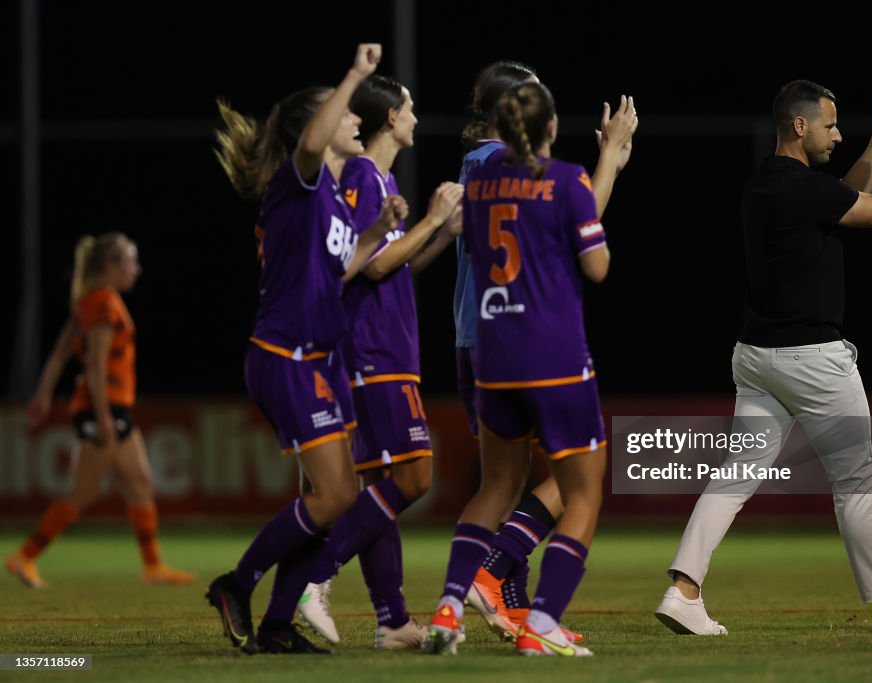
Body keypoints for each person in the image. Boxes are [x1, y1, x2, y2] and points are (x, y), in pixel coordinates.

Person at [654, 75, 872, 636]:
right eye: (829, 124)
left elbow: (845, 191)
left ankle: (683, 591)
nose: (837, 134)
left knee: (735, 477)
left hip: (755, 359)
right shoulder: (804, 191)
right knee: (855, 481)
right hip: (815, 365)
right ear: (800, 126)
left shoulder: (764, 186)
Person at [206, 43, 408, 655]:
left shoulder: (327, 198)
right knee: (336, 496)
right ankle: (236, 584)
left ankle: (274, 626)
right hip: (285, 358)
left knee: (328, 500)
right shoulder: (299, 180)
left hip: (318, 360)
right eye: (343, 111)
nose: (354, 119)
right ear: (312, 129)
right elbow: (315, 140)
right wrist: (355, 75)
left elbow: (339, 272)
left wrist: (374, 233)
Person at [423, 81, 636, 657]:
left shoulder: (481, 181)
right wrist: (611, 159)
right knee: (584, 492)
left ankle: (449, 605)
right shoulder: (566, 179)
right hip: (555, 356)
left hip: (493, 354)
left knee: (496, 485)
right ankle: (542, 621)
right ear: (549, 128)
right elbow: (596, 267)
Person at [295, 73, 464, 650]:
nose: (416, 117)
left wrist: (438, 238)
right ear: (390, 117)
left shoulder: (377, 176)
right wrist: (432, 221)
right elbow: (370, 266)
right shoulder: (366, 174)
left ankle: (392, 622)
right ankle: (314, 574)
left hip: (382, 349)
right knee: (414, 478)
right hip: (376, 352)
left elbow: (392, 263)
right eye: (411, 108)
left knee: (380, 488)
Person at [5, 234, 194, 589]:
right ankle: (24, 556)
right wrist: (104, 415)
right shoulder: (104, 304)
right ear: (111, 266)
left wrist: (44, 395)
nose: (136, 270)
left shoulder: (89, 302)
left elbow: (61, 353)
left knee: (140, 484)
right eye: (131, 262)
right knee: (84, 492)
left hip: (111, 407)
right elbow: (94, 365)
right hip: (103, 408)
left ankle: (153, 567)